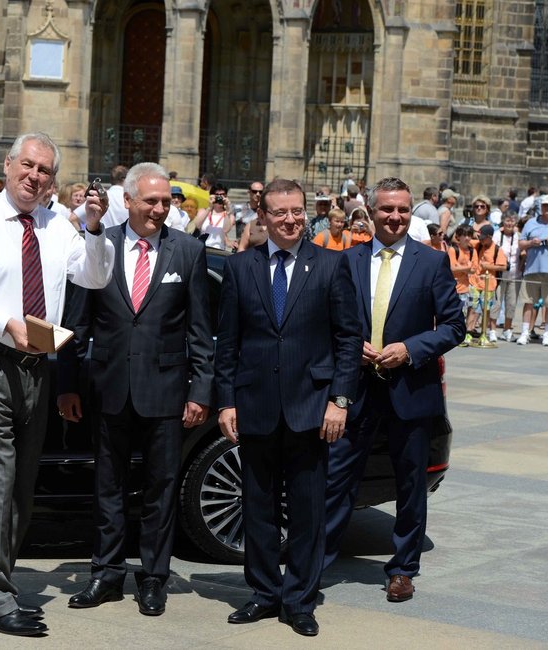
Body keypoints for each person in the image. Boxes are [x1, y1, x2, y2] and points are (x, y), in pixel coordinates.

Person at [0, 132, 115, 637]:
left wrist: (97, 229)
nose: (34, 177)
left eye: (44, 171)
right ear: (9, 164)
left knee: (20, 487)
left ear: (53, 180)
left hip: (39, 365)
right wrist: (4, 323)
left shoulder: (58, 225)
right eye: (27, 166)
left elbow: (95, 277)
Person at [58, 163, 213, 618]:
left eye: (167, 202)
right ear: (127, 201)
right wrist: (67, 384)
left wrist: (200, 390)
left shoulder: (187, 251)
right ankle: (106, 574)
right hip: (107, 389)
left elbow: (200, 331)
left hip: (166, 392)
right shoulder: (98, 247)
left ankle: (152, 578)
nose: (160, 209)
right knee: (107, 486)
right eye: (151, 201)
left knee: (160, 489)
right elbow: (76, 322)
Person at [214, 178, 361, 637]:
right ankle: (262, 592)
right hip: (255, 405)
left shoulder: (332, 265)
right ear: (264, 216)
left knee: (307, 509)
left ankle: (299, 599)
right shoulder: (241, 268)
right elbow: (229, 343)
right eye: (280, 212)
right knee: (256, 506)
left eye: (297, 211)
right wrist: (225, 402)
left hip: (312, 409)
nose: (291, 219)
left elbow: (348, 339)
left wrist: (339, 400)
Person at [324, 177, 465, 604]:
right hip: (356, 389)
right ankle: (315, 561)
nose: (395, 217)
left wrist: (410, 348)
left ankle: (402, 569)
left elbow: (455, 326)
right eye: (387, 209)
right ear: (371, 210)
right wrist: (349, 344)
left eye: (403, 209)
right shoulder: (346, 261)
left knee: (409, 485)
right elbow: (325, 319)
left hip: (411, 389)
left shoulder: (431, 262)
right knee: (335, 478)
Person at [516, 194, 548, 346]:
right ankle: (525, 332)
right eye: (545, 205)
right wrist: (531, 242)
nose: (547, 209)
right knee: (528, 302)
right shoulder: (531, 223)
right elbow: (521, 244)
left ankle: (547, 334)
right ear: (541, 206)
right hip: (532, 269)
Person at [468, 223, 506, 342]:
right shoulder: (478, 245)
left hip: (488, 286)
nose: (480, 240)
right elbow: (465, 240)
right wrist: (474, 234)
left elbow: (503, 266)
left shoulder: (497, 249)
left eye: (483, 237)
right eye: (479, 237)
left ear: (490, 237)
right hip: (475, 283)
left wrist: (488, 266)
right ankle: (468, 332)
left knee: (486, 310)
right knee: (473, 308)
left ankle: (484, 333)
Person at [494, 211, 521, 341]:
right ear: (503, 222)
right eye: (507, 220)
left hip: (515, 274)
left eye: (512, 221)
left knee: (511, 303)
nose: (509, 223)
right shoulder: (497, 235)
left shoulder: (518, 236)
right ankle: (492, 330)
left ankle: (507, 329)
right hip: (499, 274)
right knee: (497, 303)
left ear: (515, 223)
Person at [193, 183, 234, 250]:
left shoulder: (229, 215)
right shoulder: (203, 211)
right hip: (202, 249)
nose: (220, 197)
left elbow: (225, 230)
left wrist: (227, 209)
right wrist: (209, 207)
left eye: (223, 195)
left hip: (218, 250)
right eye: (217, 195)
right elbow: (197, 225)